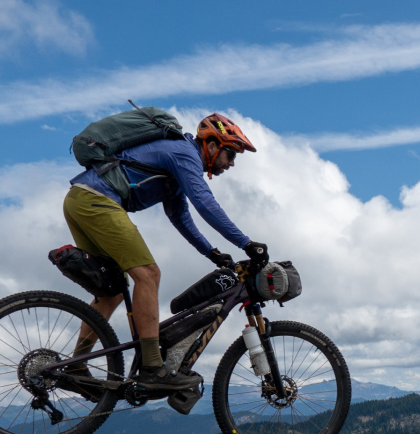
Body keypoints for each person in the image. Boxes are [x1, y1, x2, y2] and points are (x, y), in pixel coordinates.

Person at [61, 113, 267, 392]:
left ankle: (76, 364)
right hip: (97, 200)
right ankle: (152, 368)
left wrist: (212, 253)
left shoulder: (177, 163)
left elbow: (180, 216)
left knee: (113, 293)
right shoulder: (185, 154)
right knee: (148, 275)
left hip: (79, 200)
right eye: (230, 154)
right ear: (211, 144)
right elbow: (204, 203)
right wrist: (246, 243)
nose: (231, 164)